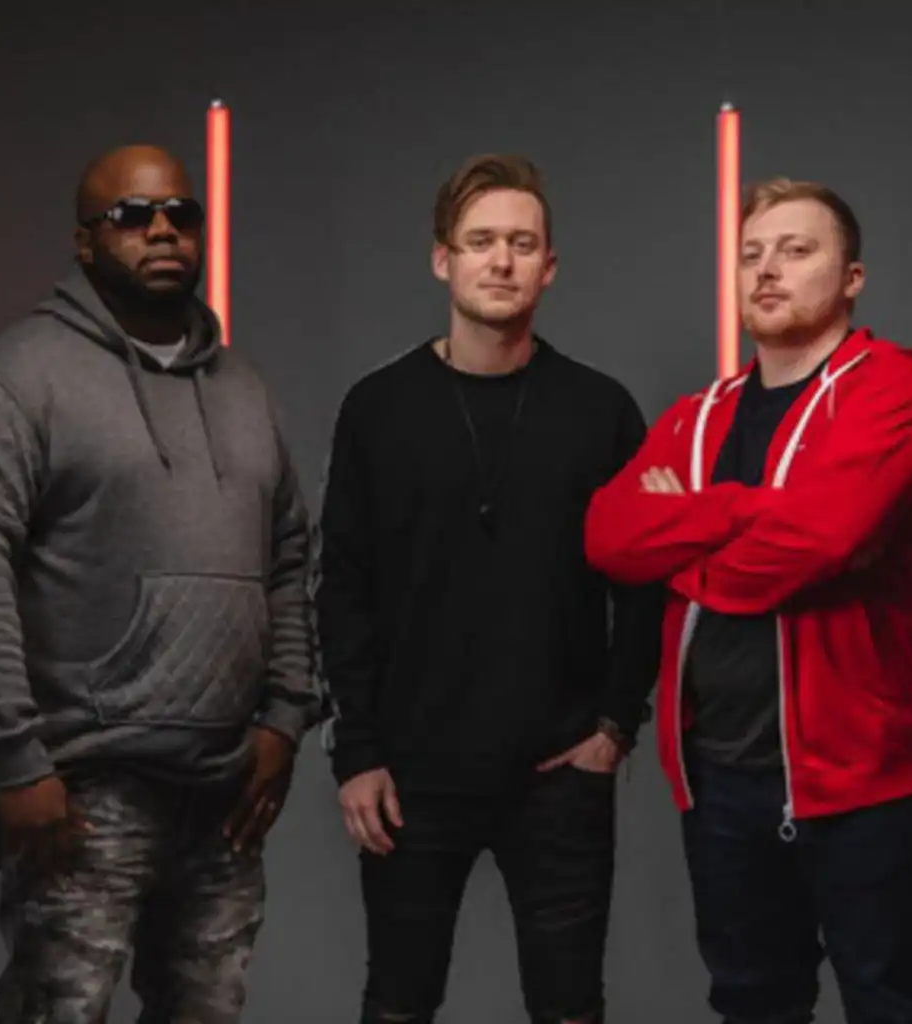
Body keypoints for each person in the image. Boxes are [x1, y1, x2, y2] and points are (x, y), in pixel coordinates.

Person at [0, 144, 322, 1023]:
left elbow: (288, 558)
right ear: (85, 241)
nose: (161, 231)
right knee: (57, 1011)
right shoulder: (20, 378)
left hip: (226, 787)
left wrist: (284, 717)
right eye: (131, 216)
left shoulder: (246, 391)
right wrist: (15, 756)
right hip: (83, 784)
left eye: (180, 214)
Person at [585, 177, 912, 1024]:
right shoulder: (700, 414)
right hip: (721, 782)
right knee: (753, 1006)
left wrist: (686, 531)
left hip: (865, 781)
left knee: (895, 1005)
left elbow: (821, 544)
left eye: (796, 250)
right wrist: (752, 511)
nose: (767, 269)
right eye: (751, 253)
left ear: (852, 278)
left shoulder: (893, 388)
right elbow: (607, 535)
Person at [316, 153, 664, 1024]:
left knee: (570, 1007)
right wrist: (357, 751)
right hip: (408, 773)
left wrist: (615, 726)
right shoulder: (377, 407)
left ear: (550, 266)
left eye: (521, 243)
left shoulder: (601, 410)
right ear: (443, 259)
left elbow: (648, 583)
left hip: (558, 770)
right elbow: (343, 586)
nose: (501, 261)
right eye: (480, 242)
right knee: (398, 1003)